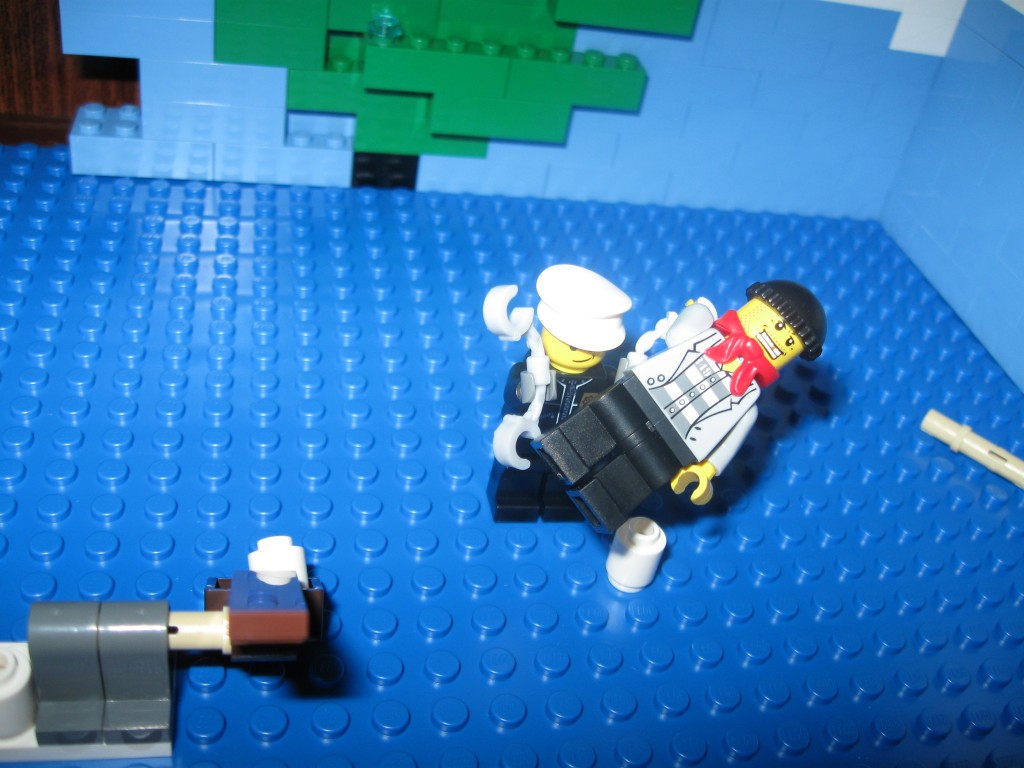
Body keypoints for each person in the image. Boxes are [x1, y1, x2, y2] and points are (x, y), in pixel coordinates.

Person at [533, 280, 827, 533]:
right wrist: (700, 311)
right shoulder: (708, 337)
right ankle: (561, 454)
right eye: (778, 324)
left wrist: (707, 470)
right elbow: (677, 335)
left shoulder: (748, 398)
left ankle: (600, 504)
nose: (777, 338)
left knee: (638, 475)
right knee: (598, 423)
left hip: (679, 442)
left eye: (790, 340)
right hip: (640, 395)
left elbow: (729, 440)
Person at [484, 264, 632, 522]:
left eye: (593, 348)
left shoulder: (603, 378)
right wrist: (529, 387)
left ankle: (560, 505)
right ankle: (514, 502)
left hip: (577, 444)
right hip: (531, 436)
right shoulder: (533, 370)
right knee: (520, 475)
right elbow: (513, 396)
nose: (583, 354)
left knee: (566, 479)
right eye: (573, 345)